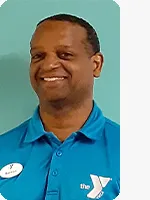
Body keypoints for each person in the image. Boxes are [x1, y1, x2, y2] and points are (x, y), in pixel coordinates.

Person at [0, 13, 120, 200]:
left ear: (96, 65)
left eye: (65, 54)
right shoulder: (3, 148)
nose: (48, 65)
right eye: (38, 56)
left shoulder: (132, 152)